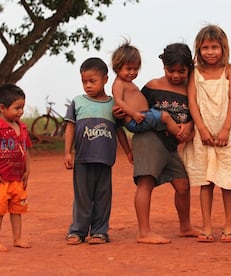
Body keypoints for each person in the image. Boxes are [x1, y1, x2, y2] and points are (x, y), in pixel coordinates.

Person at [113, 42, 199, 244]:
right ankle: (144, 232)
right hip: (148, 140)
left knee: (183, 185)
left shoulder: (191, 90)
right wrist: (120, 115)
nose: (176, 75)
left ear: (189, 69)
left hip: (170, 146)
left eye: (181, 71)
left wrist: (190, 125)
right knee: (146, 183)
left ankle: (185, 226)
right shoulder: (151, 87)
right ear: (164, 67)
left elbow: (196, 113)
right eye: (171, 71)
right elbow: (132, 110)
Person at [64, 57, 132, 245]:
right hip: (82, 159)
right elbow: (70, 128)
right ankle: (77, 231)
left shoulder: (113, 105)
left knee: (103, 197)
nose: (87, 85)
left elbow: (120, 131)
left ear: (105, 80)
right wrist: (68, 152)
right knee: (82, 197)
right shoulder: (77, 102)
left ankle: (100, 231)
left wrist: (128, 151)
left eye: (92, 81)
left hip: (104, 160)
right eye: (84, 81)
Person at [183, 24, 231, 243]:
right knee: (206, 182)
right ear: (199, 49)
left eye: (214, 47)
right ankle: (206, 226)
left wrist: (225, 129)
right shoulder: (194, 72)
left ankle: (229, 226)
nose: (210, 51)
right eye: (205, 47)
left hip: (228, 134)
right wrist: (202, 129)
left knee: (227, 181)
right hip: (202, 134)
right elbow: (192, 102)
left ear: (223, 47)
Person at [0, 84, 32, 252]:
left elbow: (25, 149)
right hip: (1, 180)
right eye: (17, 108)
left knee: (17, 210)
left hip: (18, 180)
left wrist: (27, 170)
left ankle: (17, 238)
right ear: (2, 108)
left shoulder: (23, 127)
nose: (20, 112)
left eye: (22, 108)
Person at [111, 41, 181, 136]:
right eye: (128, 69)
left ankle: (175, 130)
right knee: (165, 116)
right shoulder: (119, 84)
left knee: (163, 122)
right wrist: (133, 114)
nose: (132, 72)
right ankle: (181, 135)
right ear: (117, 68)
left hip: (143, 116)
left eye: (135, 69)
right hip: (135, 119)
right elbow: (119, 102)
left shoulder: (128, 83)